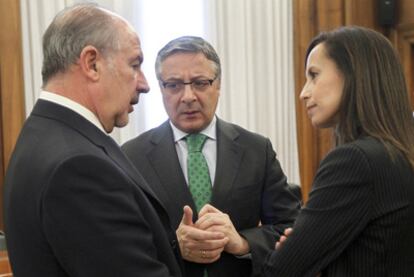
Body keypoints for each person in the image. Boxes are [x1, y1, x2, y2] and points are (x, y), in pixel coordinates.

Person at [3, 4, 193, 276]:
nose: (145, 84)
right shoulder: (79, 167)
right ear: (92, 63)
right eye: (135, 64)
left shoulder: (42, 133)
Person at [122, 36, 300, 277]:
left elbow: (291, 227)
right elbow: (122, 241)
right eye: (173, 85)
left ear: (218, 85)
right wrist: (173, 246)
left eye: (200, 83)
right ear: (161, 88)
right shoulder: (132, 157)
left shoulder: (256, 149)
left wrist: (243, 242)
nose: (187, 96)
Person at [261, 26, 414, 276]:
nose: (303, 93)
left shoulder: (355, 161)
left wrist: (298, 252)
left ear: (353, 74)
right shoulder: (401, 154)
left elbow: (282, 269)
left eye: (314, 75)